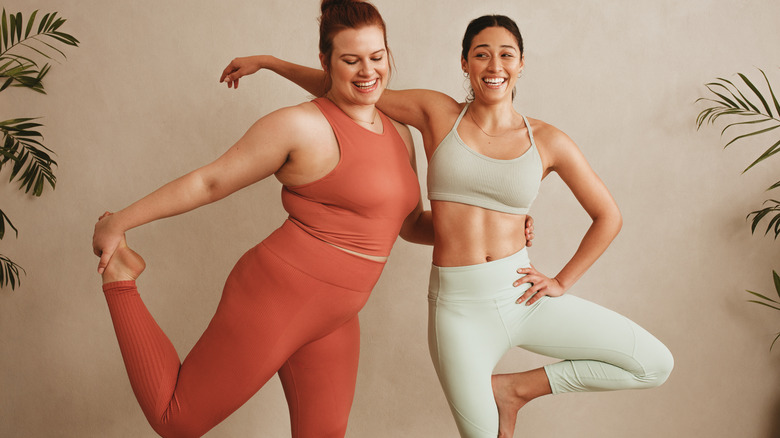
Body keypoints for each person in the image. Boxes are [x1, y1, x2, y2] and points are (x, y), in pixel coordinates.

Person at [221, 13, 674, 438]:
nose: (494, 64)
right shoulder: (438, 113)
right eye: (481, 53)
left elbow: (608, 216)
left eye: (506, 53)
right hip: (459, 310)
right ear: (464, 62)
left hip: (521, 294)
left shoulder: (549, 140)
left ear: (521, 63)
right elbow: (349, 86)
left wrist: (561, 280)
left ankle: (513, 390)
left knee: (653, 363)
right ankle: (501, 394)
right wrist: (270, 63)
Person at [91, 1, 433, 437]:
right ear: (325, 62)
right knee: (177, 420)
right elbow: (209, 182)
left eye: (377, 57)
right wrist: (119, 222)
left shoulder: (399, 132)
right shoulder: (299, 126)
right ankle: (120, 278)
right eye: (351, 60)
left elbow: (410, 225)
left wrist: (500, 232)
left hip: (338, 314)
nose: (367, 71)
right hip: (280, 293)